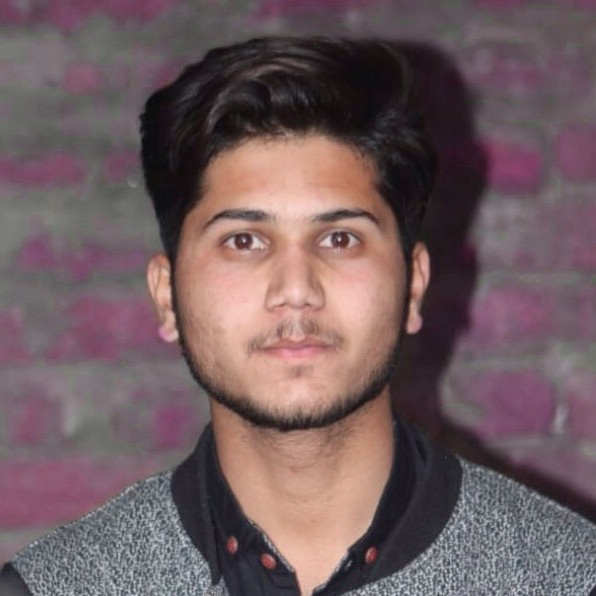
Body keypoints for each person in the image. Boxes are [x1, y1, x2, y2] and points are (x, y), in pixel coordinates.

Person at [1, 36, 594, 596]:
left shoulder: (565, 577)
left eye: (339, 239)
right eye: (243, 241)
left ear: (413, 285)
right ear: (166, 296)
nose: (296, 289)